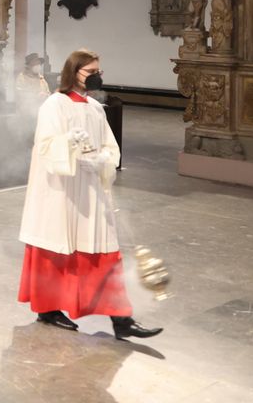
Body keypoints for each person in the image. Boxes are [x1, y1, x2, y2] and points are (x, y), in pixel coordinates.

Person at [18, 49, 162, 340]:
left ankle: (122, 320)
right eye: (91, 71)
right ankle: (47, 309)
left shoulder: (95, 108)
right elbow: (44, 147)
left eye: (99, 71)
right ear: (74, 73)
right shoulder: (54, 105)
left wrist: (104, 160)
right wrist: (68, 144)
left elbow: (110, 147)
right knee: (56, 250)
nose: (97, 76)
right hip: (62, 192)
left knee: (104, 254)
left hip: (91, 190)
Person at [15, 53, 51, 118]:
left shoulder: (41, 79)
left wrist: (46, 96)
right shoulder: (22, 78)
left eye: (39, 64)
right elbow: (20, 94)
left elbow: (48, 93)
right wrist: (36, 96)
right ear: (29, 66)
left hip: (41, 113)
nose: (38, 66)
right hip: (26, 115)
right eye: (35, 64)